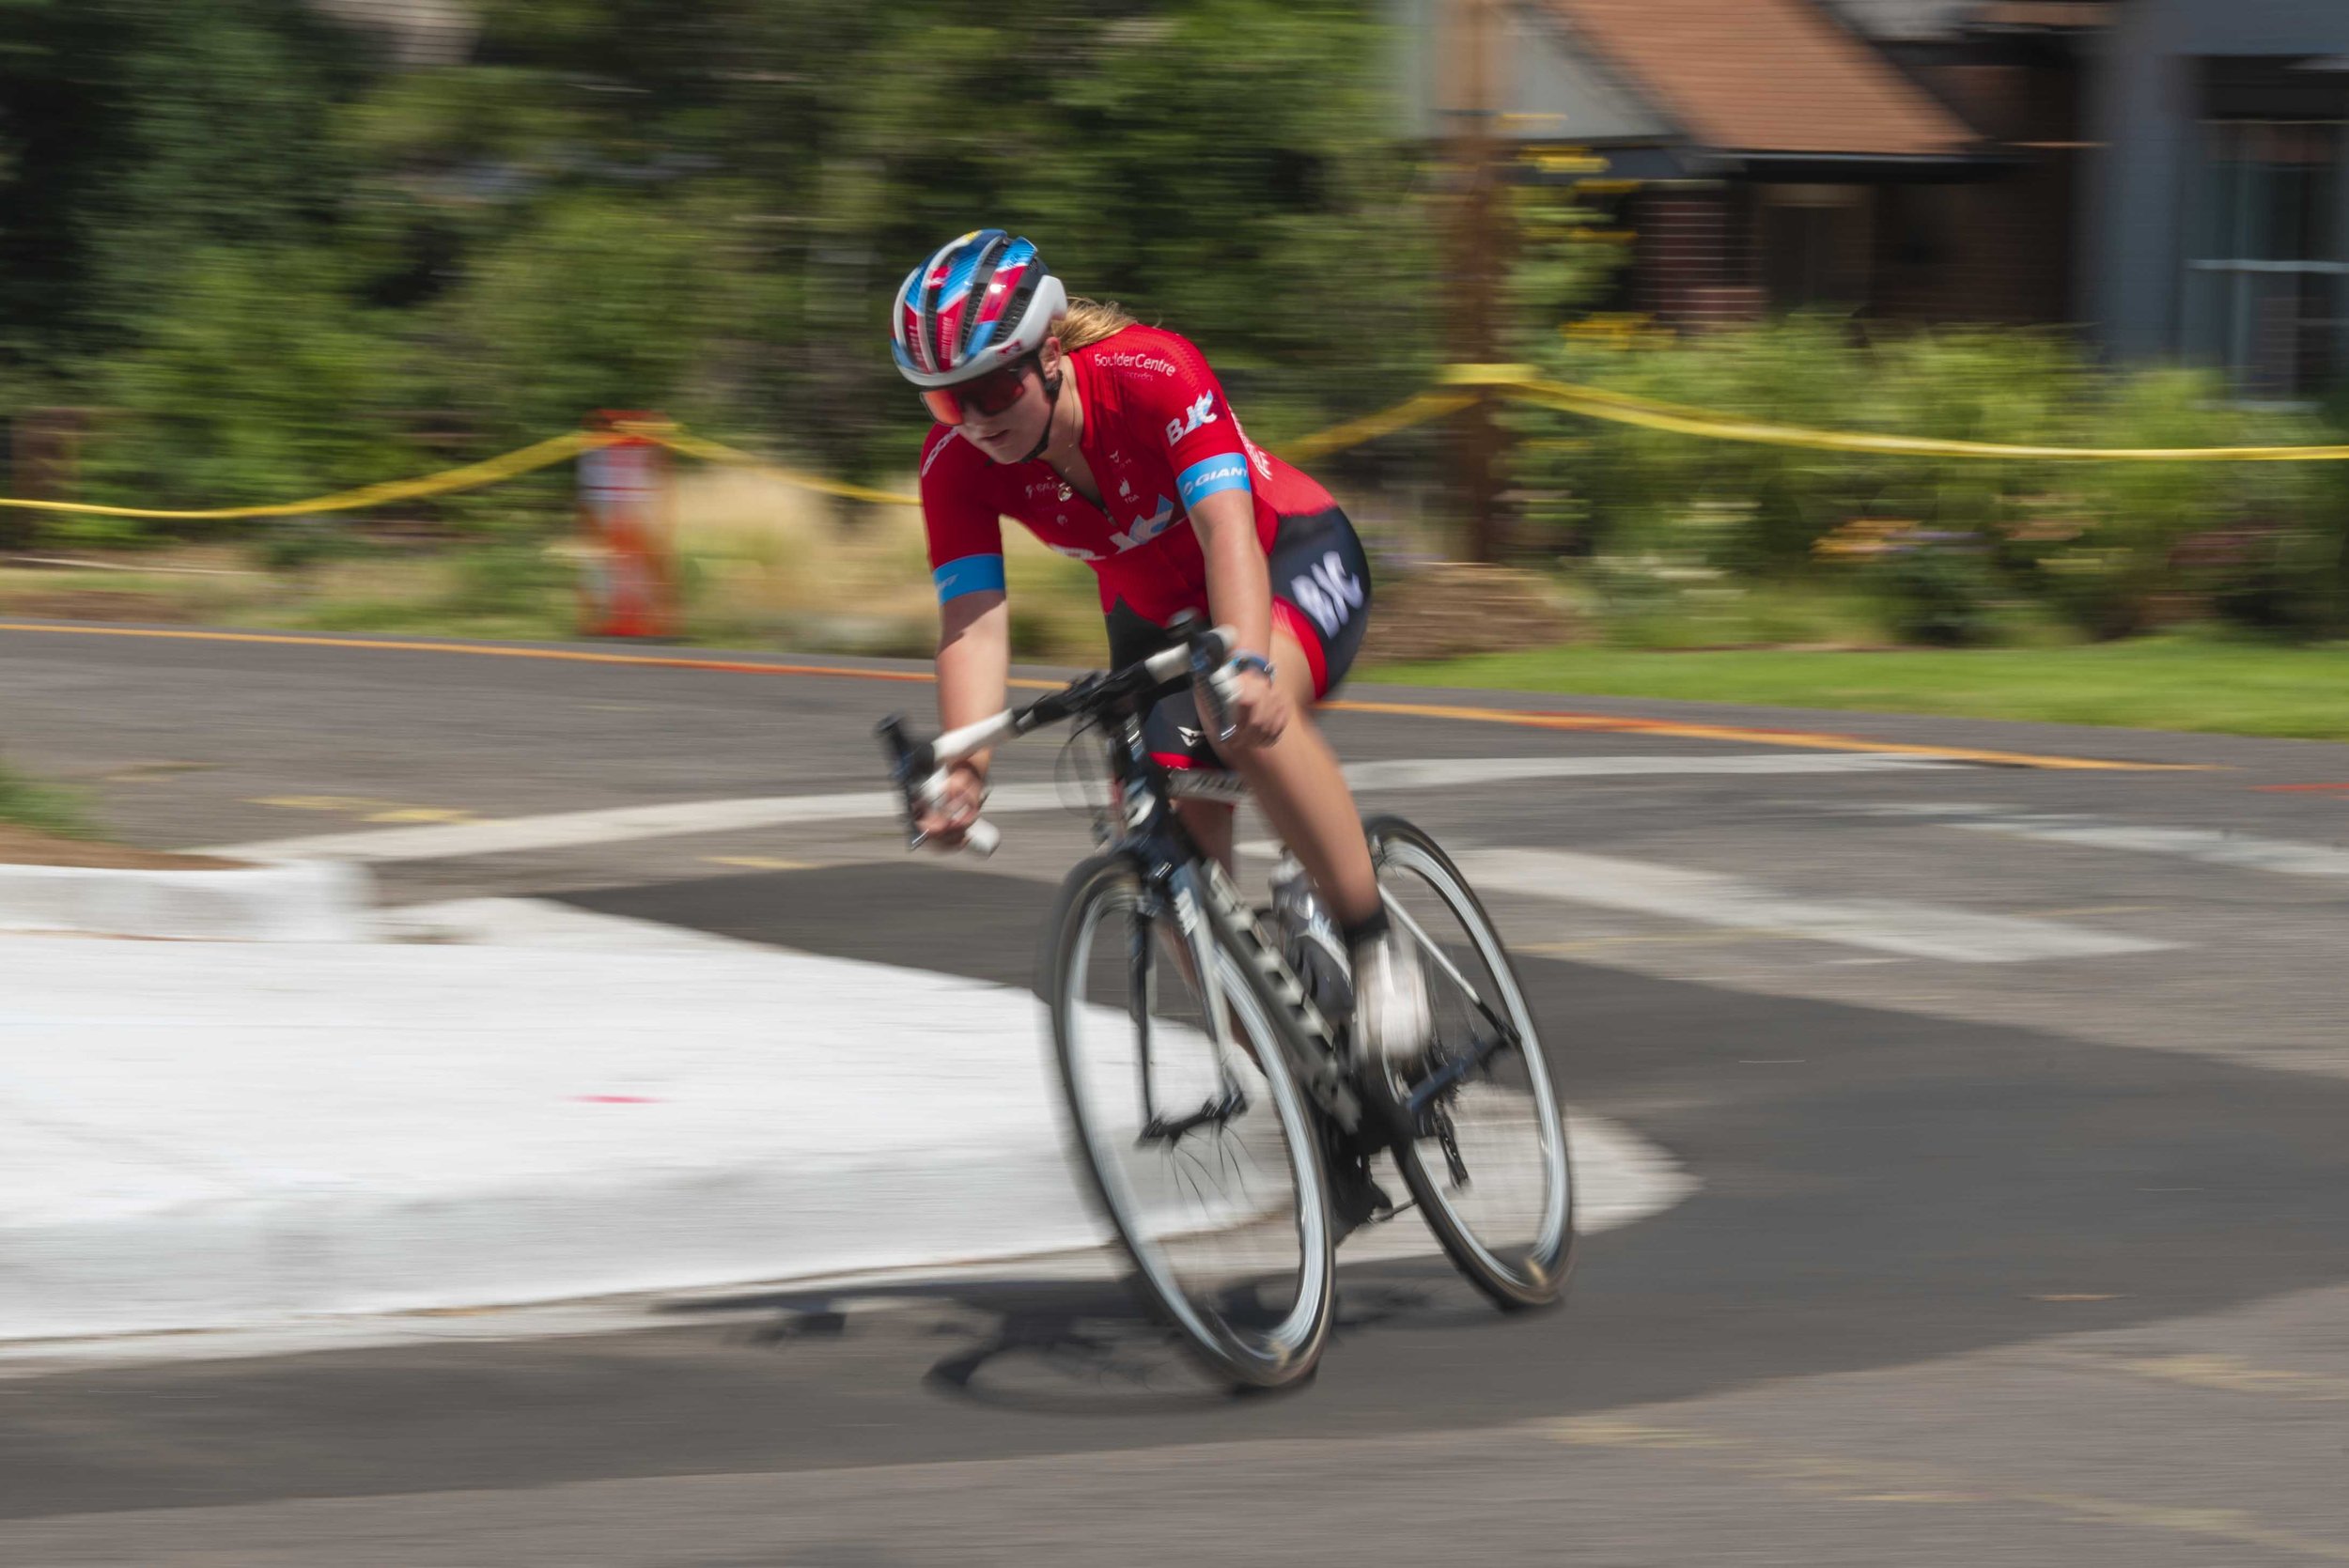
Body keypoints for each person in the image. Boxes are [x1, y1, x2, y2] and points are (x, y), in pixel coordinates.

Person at [894, 227, 1428, 1067]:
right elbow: (972, 618)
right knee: (1169, 860)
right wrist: (965, 769)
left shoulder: (1153, 372)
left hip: (1286, 555)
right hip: (1155, 615)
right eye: (943, 400)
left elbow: (1227, 535)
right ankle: (1306, 1086)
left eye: (991, 389)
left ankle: (1371, 943)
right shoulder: (955, 464)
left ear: (1050, 354)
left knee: (1236, 720)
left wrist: (1250, 664)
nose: (972, 420)